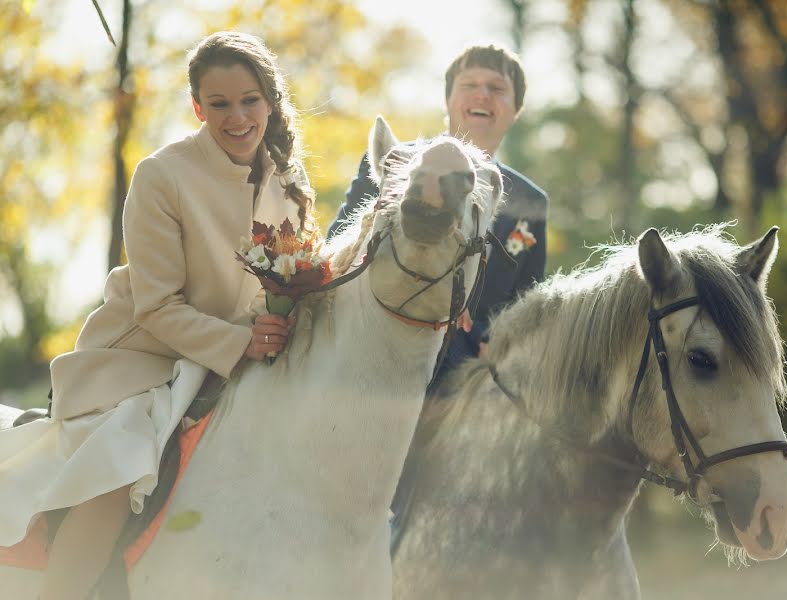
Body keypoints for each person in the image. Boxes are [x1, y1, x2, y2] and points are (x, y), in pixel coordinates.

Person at [0, 31, 313, 600]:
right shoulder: (160, 175)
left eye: (249, 100)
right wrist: (240, 343)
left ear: (270, 100)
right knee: (120, 466)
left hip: (245, 356)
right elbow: (159, 306)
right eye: (219, 104)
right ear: (198, 107)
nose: (237, 117)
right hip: (145, 356)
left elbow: (293, 281)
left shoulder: (292, 184)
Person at [328, 44, 548, 394]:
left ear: (516, 109)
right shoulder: (397, 162)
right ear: (448, 99)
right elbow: (338, 249)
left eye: (497, 88)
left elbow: (528, 300)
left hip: (469, 377)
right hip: (378, 347)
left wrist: (497, 343)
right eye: (470, 84)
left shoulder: (531, 201)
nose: (482, 95)